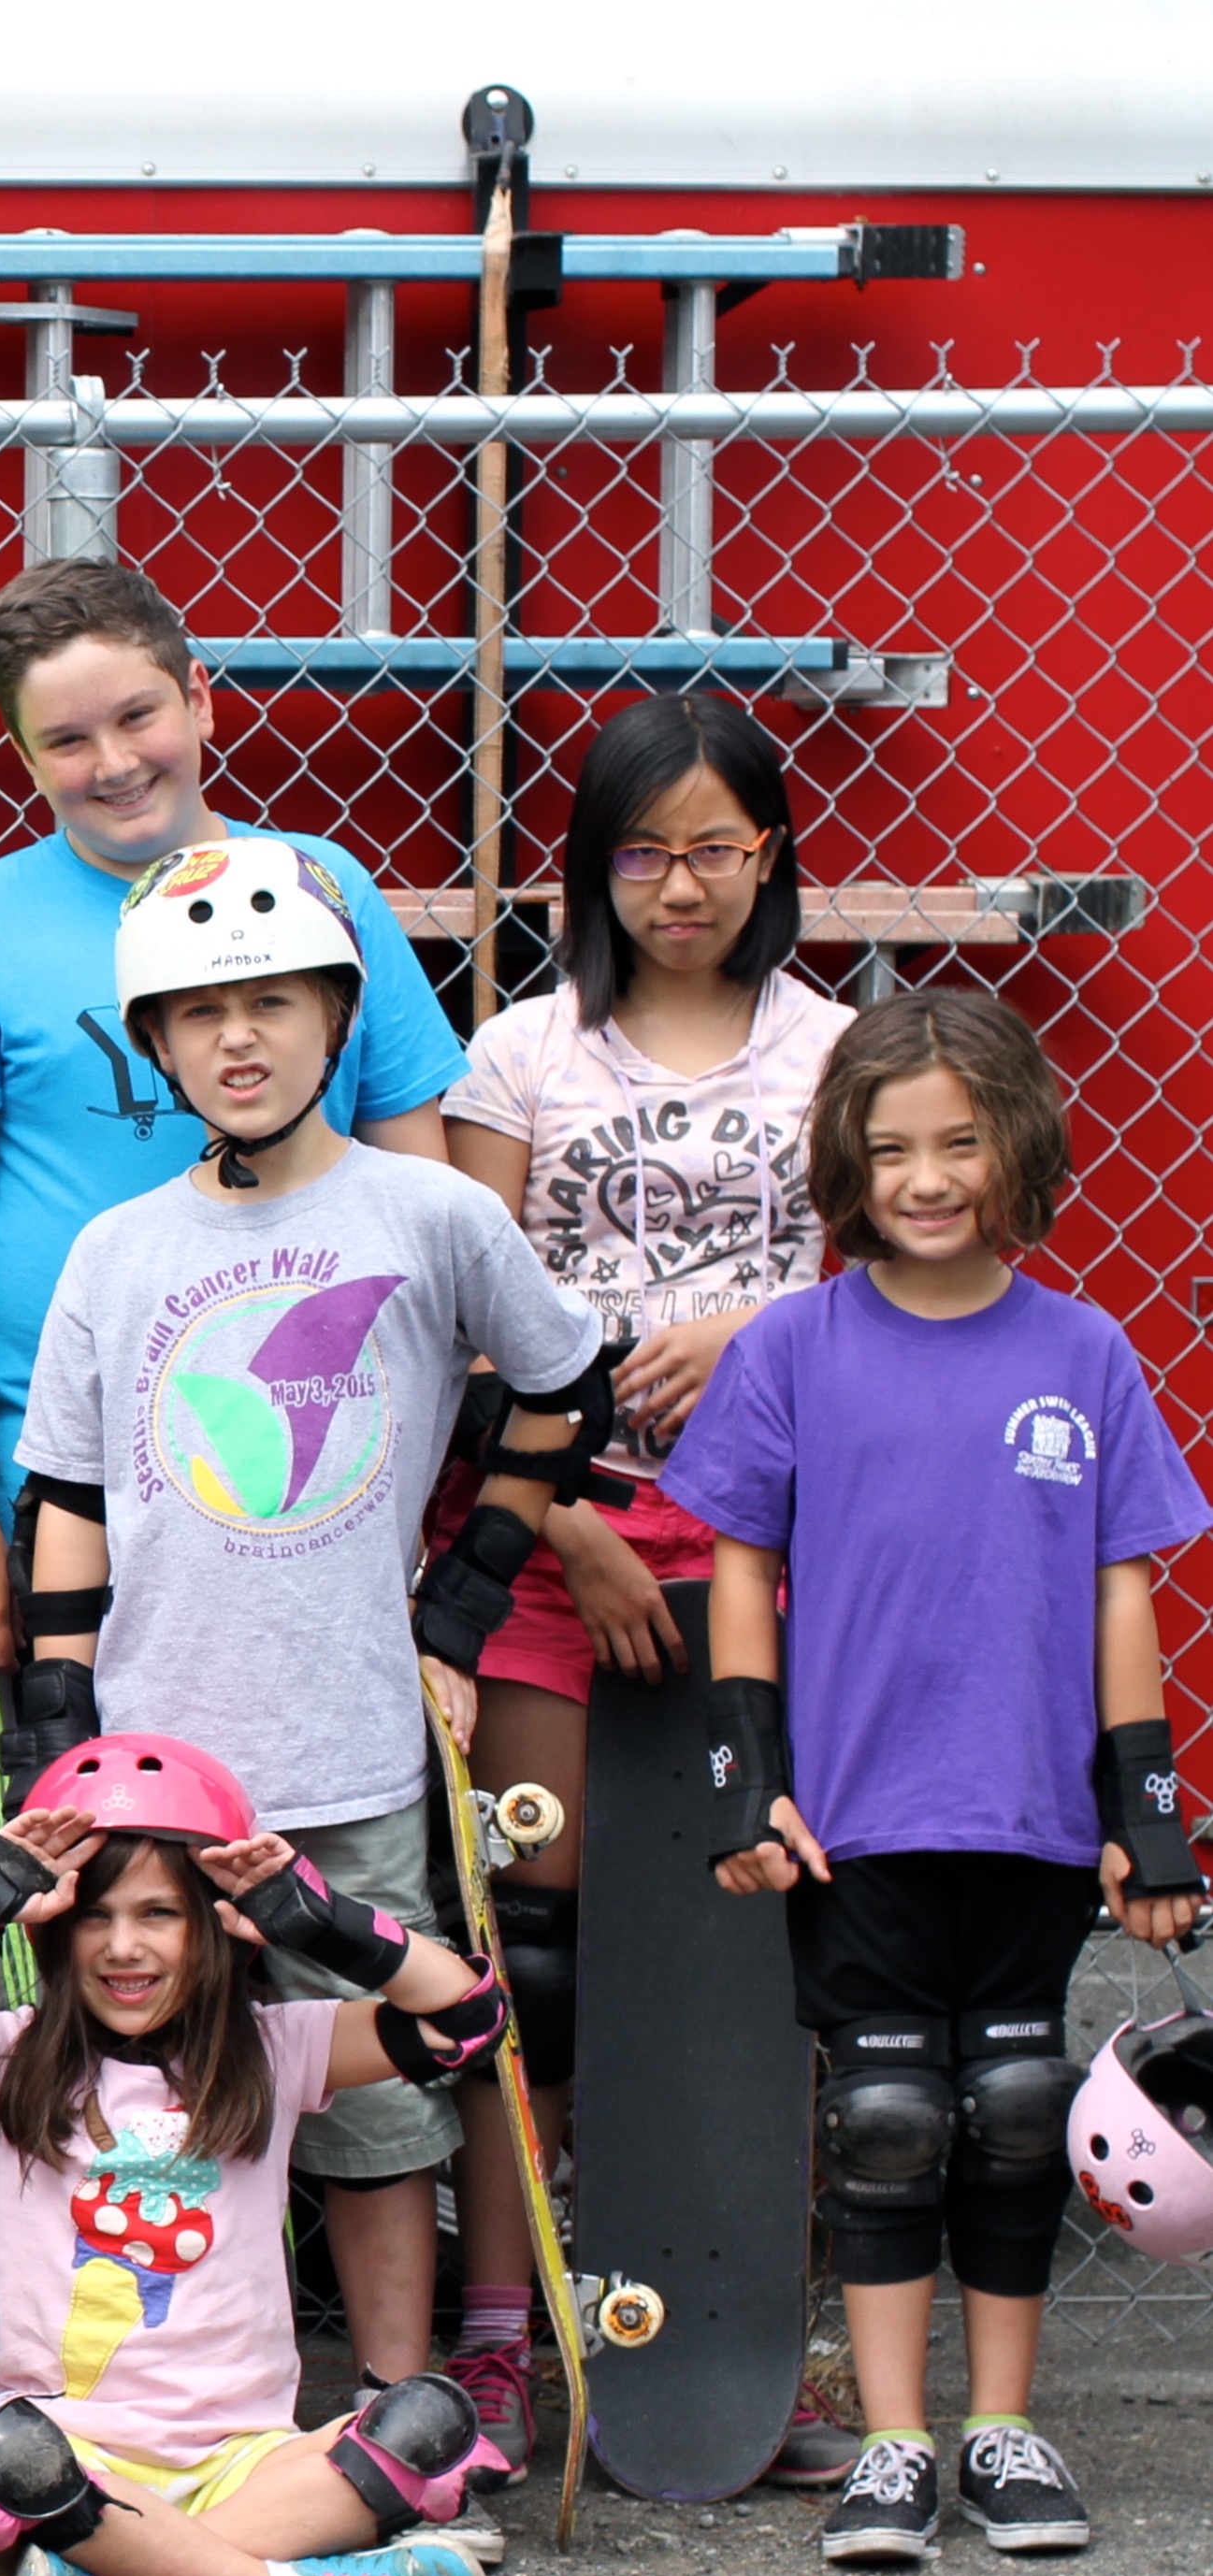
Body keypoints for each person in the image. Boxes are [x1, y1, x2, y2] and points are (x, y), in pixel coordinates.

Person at [7, 842, 607, 2542]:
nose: (237, 1039)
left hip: (344, 1751)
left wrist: (467, 1592)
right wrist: (56, 1725)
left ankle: (399, 2423)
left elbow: (562, 1384)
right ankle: (170, 2428)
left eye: (270, 1003)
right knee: (153, 2110)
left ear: (337, 1017)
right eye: (197, 1014)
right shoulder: (114, 1249)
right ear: (152, 1043)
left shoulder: (428, 1213)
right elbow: (66, 1498)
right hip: (149, 1784)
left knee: (377, 2102)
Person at [663, 989, 1210, 2568]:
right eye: (888, 1146)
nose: (921, 1177)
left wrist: (1144, 1813)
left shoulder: (1081, 1352)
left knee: (1019, 2112)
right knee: (887, 2117)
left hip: (1029, 1814)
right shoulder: (791, 1346)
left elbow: (1120, 1588)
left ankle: (1002, 2426)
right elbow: (738, 1568)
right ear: (845, 1158)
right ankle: (894, 2441)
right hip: (855, 1818)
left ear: (1014, 1144)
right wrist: (744, 1782)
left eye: (956, 1142)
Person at [436, 696, 857, 2481]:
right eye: (640, 851)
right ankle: (501, 2339)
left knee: (745, 1957)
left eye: (712, 849)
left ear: (768, 854)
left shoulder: (837, 1053)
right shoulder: (520, 1056)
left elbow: (895, 1289)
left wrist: (753, 1322)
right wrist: (558, 1522)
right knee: (530, 1954)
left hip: (766, 1549)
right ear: (587, 865)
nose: (677, 886)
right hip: (562, 1538)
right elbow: (460, 1324)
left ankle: (742, 2340)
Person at [0, 559, 469, 1709]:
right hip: (65, 1499)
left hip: (310, 1479)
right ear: (23, 757)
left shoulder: (326, 891)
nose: (113, 762)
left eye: (136, 715)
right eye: (65, 740)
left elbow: (422, 1209)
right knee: (80, 1809)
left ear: (198, 698)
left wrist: (411, 1496)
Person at [0, 1737, 519, 2576]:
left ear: (212, 1925)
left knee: (427, 2422)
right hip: (74, 2459)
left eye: (158, 1913)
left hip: (244, 2460)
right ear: (54, 1926)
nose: (122, 1946)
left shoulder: (276, 2048)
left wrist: (318, 1918)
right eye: (94, 1916)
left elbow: (467, 2018)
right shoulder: (1, 2054)